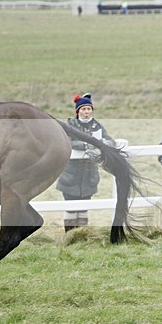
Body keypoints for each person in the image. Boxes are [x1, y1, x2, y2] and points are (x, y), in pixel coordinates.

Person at [55, 93, 116, 232]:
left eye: (89, 109)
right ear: (78, 111)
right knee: (71, 206)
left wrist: (105, 143)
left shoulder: (97, 126)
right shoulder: (70, 125)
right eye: (83, 109)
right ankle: (69, 235)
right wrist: (86, 145)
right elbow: (68, 141)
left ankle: (82, 235)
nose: (86, 112)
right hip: (71, 173)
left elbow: (109, 140)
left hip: (89, 174)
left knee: (84, 207)